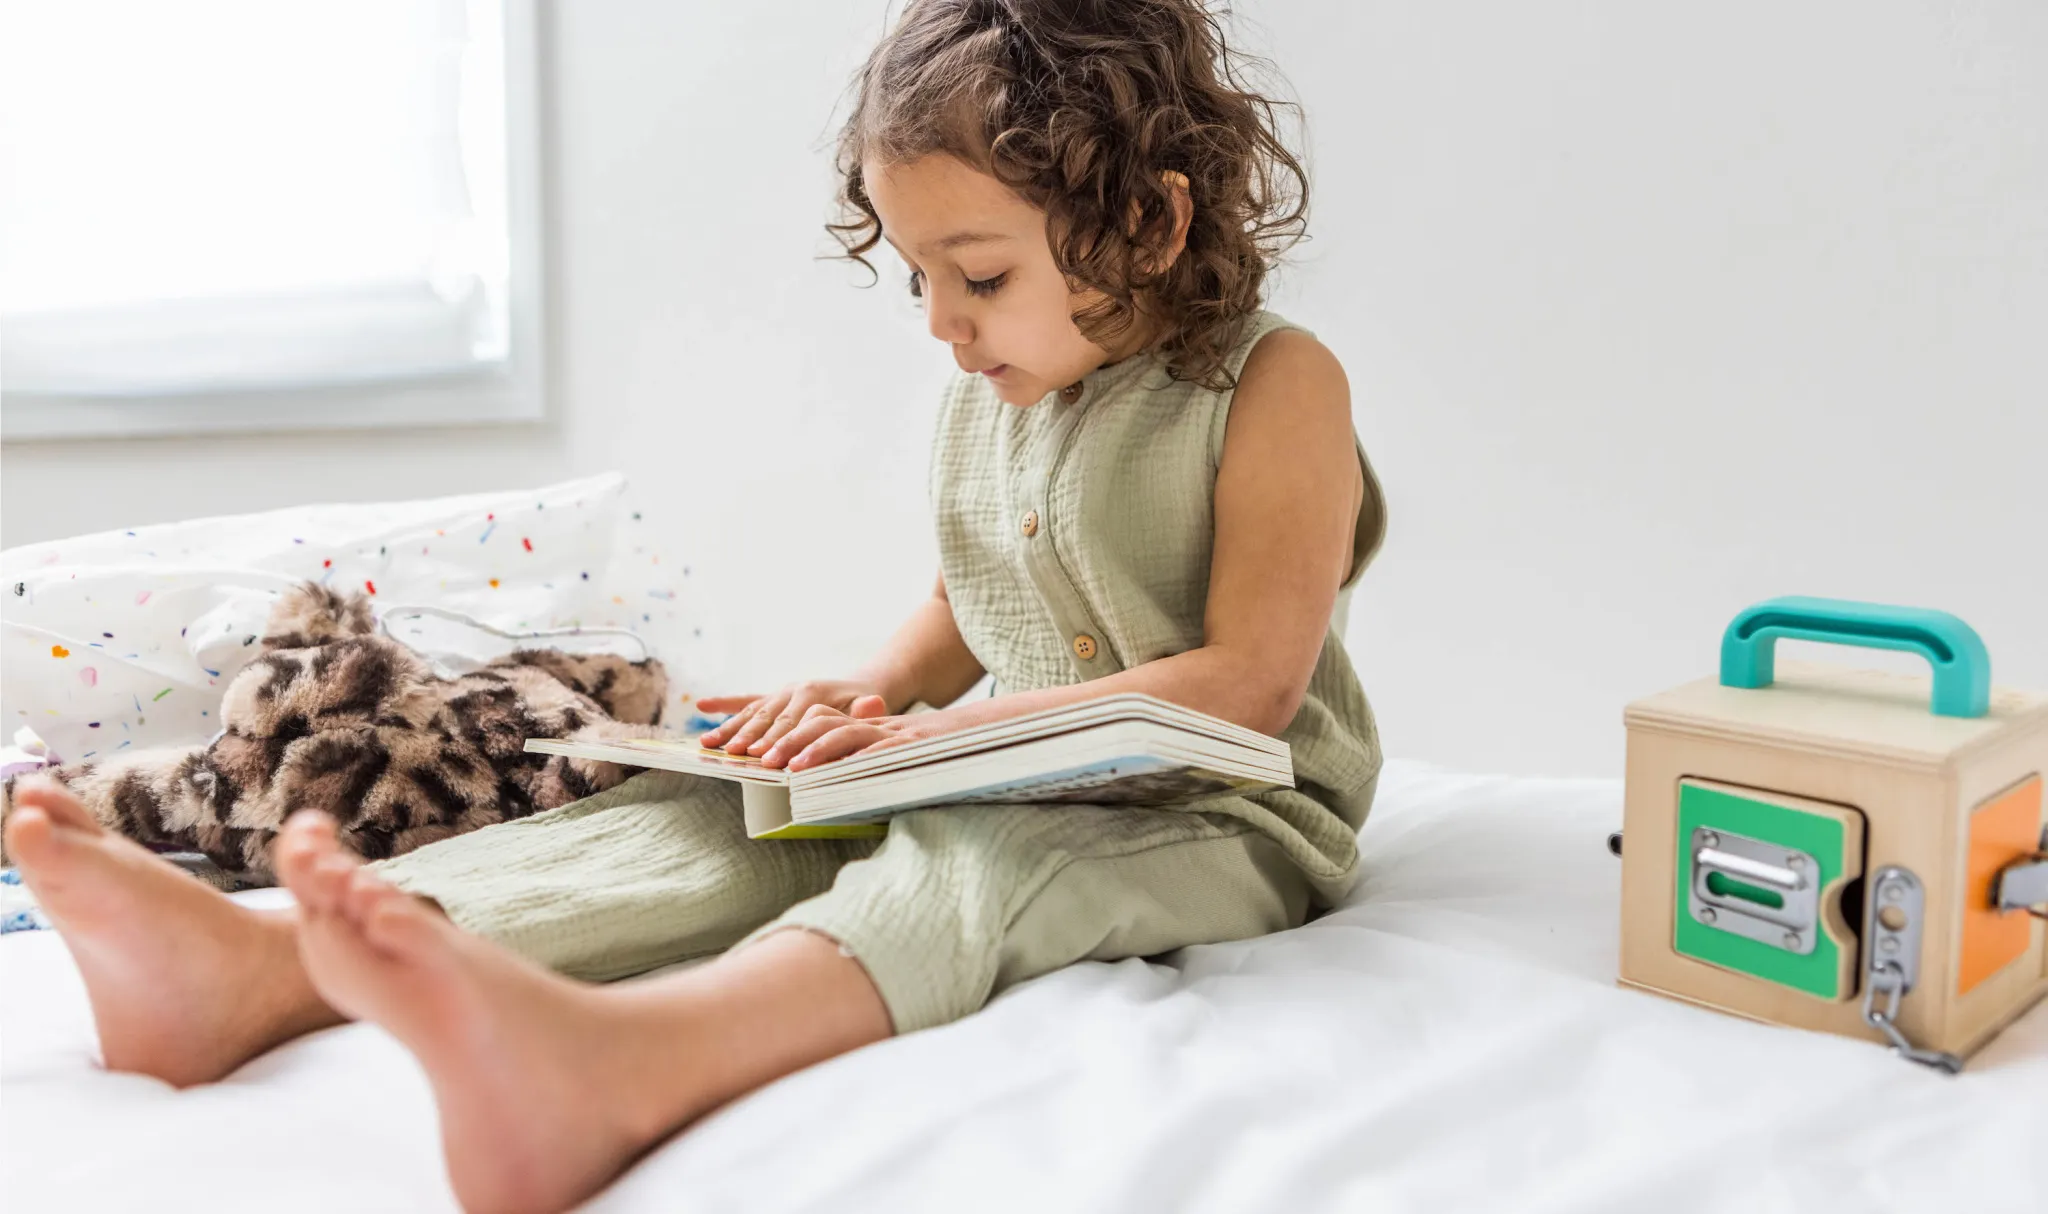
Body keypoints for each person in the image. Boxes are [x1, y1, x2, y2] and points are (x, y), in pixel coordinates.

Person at [5, 1, 1386, 1210]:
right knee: (716, 810)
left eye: (980, 276)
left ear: (1147, 220)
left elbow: (1251, 681)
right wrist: (870, 697)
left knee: (980, 870)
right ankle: (263, 966)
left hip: (1225, 812)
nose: (940, 326)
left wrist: (945, 748)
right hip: (1016, 773)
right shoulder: (1003, 398)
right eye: (918, 278)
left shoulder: (1274, 385)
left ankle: (631, 1066)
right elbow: (971, 600)